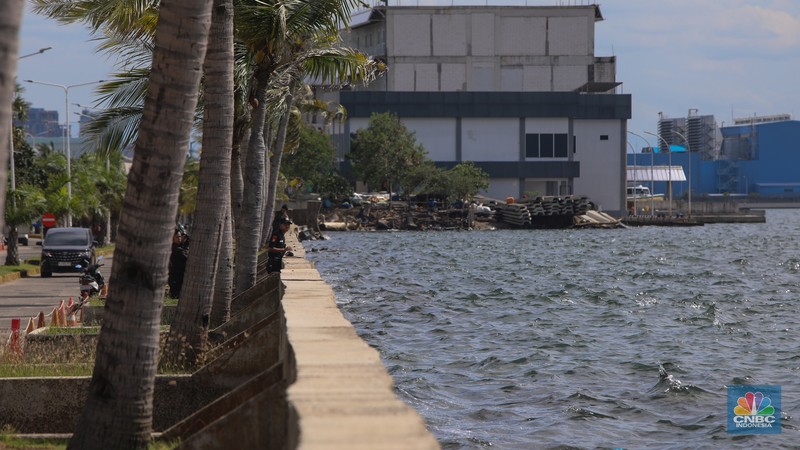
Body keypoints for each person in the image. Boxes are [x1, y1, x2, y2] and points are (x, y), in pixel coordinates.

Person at [168, 228, 189, 298]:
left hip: (175, 277)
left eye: (180, 236)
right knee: (177, 295)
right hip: (177, 278)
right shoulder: (177, 249)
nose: (179, 238)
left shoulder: (174, 247)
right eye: (177, 237)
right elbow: (186, 257)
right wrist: (186, 244)